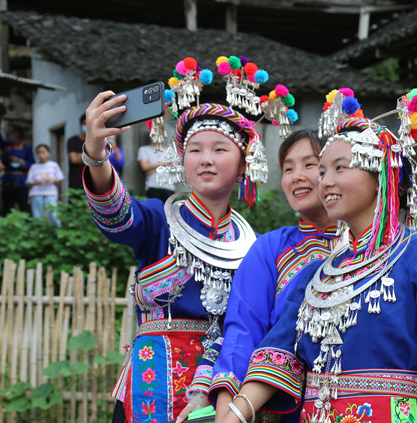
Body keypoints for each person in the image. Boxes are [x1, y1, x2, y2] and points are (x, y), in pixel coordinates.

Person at [219, 92, 417, 423]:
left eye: (339, 168)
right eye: (323, 171)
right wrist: (235, 414)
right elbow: (278, 355)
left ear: (379, 176)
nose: (324, 181)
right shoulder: (315, 275)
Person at [81, 56, 275, 423]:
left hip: (219, 393)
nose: (205, 159)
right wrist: (95, 154)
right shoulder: (158, 221)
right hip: (148, 387)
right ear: (181, 159)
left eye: (220, 149)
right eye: (195, 150)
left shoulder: (255, 247)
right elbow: (114, 212)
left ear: (244, 163)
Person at [26, 144, 64, 226]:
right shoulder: (33, 167)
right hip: (36, 193)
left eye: (43, 152)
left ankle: (57, 233)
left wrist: (53, 179)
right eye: (38, 153)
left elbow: (59, 180)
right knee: (37, 216)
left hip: (50, 193)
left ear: (48, 153)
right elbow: (29, 184)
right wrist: (39, 182)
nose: (41, 155)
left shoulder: (53, 165)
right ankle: (40, 235)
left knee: (53, 214)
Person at [1, 126, 34, 214]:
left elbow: (32, 165)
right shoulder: (6, 147)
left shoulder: (26, 148)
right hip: (7, 180)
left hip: (21, 181)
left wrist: (20, 161)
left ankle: (26, 226)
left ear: (18, 134)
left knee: (24, 206)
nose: (10, 134)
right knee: (7, 207)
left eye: (13, 132)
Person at [67, 113, 87, 190]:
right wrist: (93, 155)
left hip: (92, 182)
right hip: (76, 182)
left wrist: (81, 156)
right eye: (85, 124)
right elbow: (74, 159)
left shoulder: (97, 141)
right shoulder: (73, 141)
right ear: (81, 125)